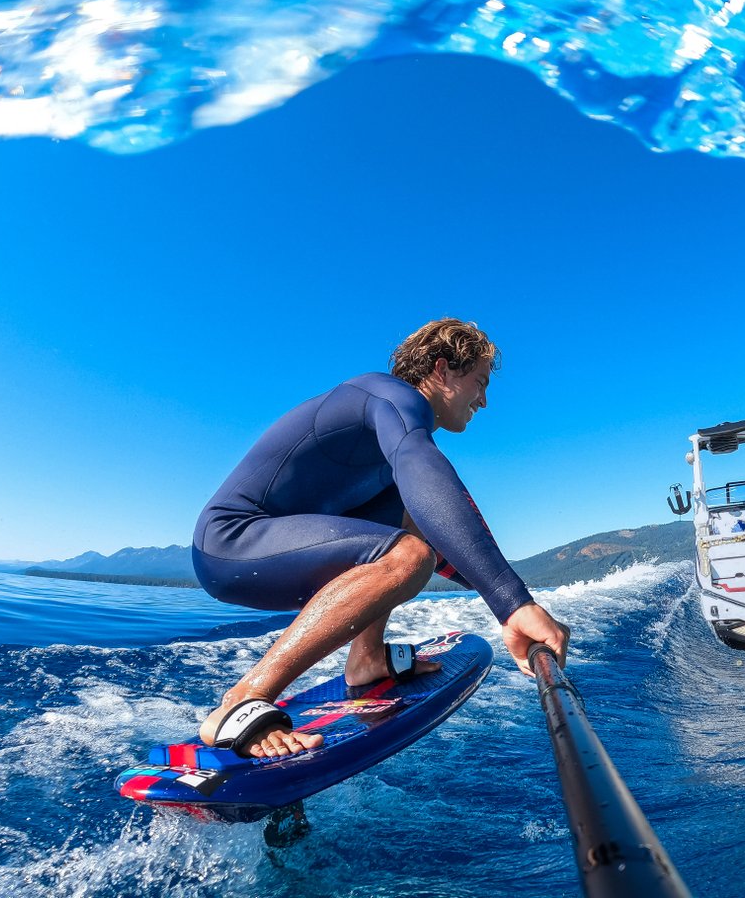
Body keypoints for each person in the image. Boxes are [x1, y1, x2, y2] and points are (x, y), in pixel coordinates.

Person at [191, 318, 570, 758]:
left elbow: (445, 533)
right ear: (442, 369)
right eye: (479, 383)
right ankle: (244, 698)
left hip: (275, 549)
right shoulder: (387, 398)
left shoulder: (391, 447)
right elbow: (423, 474)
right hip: (231, 543)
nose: (483, 401)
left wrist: (510, 603)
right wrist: (513, 604)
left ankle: (366, 658)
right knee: (408, 555)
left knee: (408, 523)